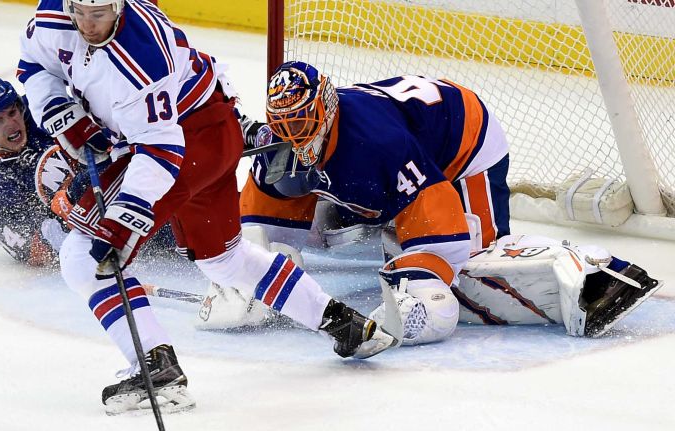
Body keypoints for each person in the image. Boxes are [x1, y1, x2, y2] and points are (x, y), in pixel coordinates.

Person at [17, 0, 396, 416]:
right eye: (81, 12)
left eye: (101, 13)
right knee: (224, 259)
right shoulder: (54, 14)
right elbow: (34, 65)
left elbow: (161, 151)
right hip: (214, 131)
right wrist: (61, 113)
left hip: (185, 141)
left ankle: (155, 372)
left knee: (83, 258)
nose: (88, 24)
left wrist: (122, 223)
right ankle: (344, 323)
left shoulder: (143, 52)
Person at [231, 61, 660, 343]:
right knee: (366, 217)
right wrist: (249, 263)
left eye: (303, 123)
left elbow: (442, 230)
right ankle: (383, 220)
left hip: (463, 143)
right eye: (285, 125)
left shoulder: (378, 143)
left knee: (467, 265)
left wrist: (424, 276)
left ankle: (595, 273)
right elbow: (260, 211)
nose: (295, 136)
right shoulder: (284, 146)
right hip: (405, 150)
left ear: (325, 109)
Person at [0, 73, 80, 267]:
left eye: (12, 112)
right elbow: (40, 252)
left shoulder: (40, 110)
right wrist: (73, 200)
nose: (11, 123)